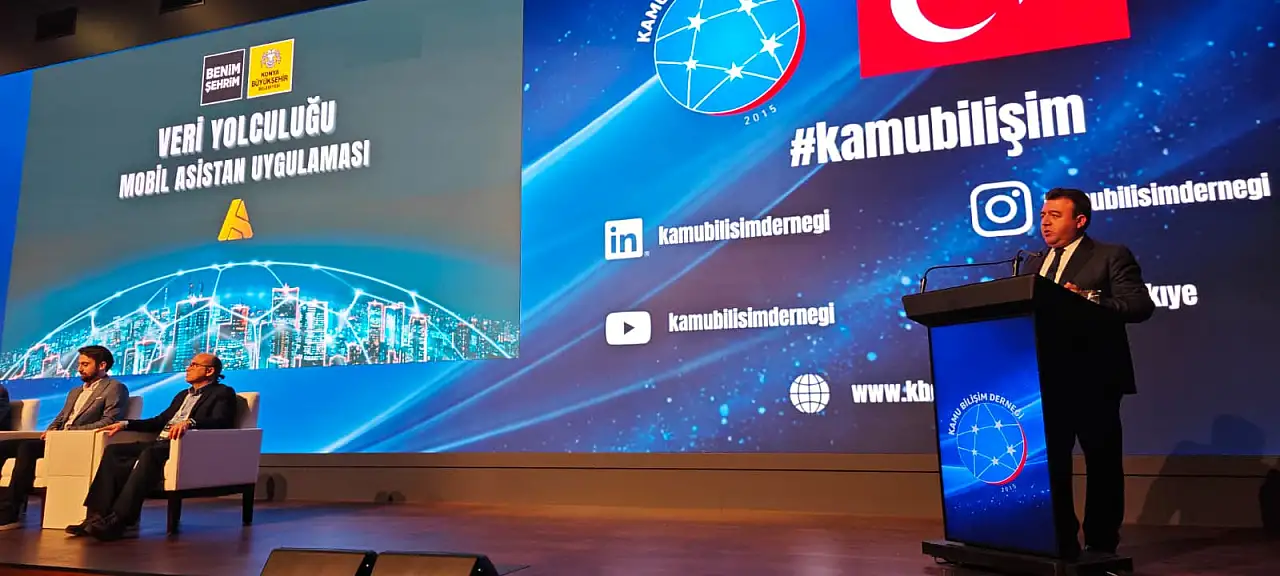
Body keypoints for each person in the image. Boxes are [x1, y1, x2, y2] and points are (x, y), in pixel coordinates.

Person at [1021, 187, 1155, 557]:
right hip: (1043, 381)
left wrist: (1090, 299)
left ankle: (1100, 543)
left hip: (1094, 377)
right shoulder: (1033, 265)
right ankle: (1059, 539)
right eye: (1043, 215)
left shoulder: (1110, 255)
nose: (1045, 222)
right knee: (1050, 464)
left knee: (1101, 463)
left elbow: (1139, 305)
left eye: (1055, 215)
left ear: (1080, 221)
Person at [68, 352, 238, 541]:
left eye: (194, 365)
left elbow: (222, 421)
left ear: (210, 371)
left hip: (186, 445)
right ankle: (96, 517)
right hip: (161, 443)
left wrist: (190, 423)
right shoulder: (183, 395)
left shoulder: (222, 392)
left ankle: (119, 520)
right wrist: (126, 424)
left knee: (150, 453)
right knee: (114, 451)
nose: (188, 368)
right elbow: (160, 420)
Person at [0, 345, 128, 530]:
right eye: (79, 364)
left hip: (79, 441)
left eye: (85, 364)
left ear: (102, 365)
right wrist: (51, 430)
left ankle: (11, 512)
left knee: (27, 448)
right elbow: (61, 418)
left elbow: (109, 421)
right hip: (58, 439)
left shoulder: (115, 388)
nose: (80, 368)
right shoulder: (75, 391)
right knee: (3, 446)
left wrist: (72, 431)